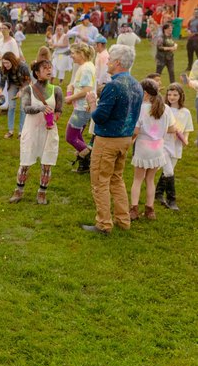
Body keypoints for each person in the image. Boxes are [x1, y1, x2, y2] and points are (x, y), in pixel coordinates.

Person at [81, 45, 143, 234]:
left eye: (109, 59)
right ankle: (123, 221)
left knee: (100, 181)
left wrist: (92, 103)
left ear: (117, 63)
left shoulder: (113, 86)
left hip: (107, 139)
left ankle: (103, 224)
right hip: (125, 139)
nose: (106, 62)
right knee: (117, 179)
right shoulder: (137, 85)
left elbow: (99, 117)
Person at [9, 60, 64, 205]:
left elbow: (59, 110)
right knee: (25, 162)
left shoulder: (57, 90)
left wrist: (54, 118)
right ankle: (18, 191)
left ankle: (42, 193)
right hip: (31, 130)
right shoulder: (29, 89)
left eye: (50, 68)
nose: (49, 70)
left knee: (47, 163)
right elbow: (26, 108)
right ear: (37, 73)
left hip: (49, 131)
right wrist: (40, 109)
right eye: (45, 68)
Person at [129, 79, 177, 221]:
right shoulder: (166, 109)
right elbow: (172, 128)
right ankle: (150, 210)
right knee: (150, 180)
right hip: (158, 148)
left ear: (145, 93)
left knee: (137, 179)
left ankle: (134, 209)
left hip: (143, 147)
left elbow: (136, 131)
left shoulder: (141, 109)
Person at [155, 83, 192, 211]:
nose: (172, 97)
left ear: (181, 96)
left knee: (167, 172)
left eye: (175, 94)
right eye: (169, 94)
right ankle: (172, 200)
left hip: (176, 145)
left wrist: (185, 139)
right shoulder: (164, 109)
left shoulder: (186, 112)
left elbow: (187, 129)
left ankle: (158, 194)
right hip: (163, 144)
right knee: (169, 171)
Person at [65, 43, 96, 173]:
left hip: (82, 109)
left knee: (70, 137)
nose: (72, 56)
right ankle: (85, 166)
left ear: (81, 54)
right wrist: (71, 88)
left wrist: (71, 98)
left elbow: (87, 89)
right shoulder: (84, 67)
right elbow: (80, 85)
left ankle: (90, 157)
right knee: (77, 135)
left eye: (74, 53)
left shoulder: (86, 68)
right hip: (82, 107)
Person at [0, 52, 31, 139]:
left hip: (24, 84)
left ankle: (21, 132)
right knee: (11, 107)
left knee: (22, 109)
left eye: (7, 63)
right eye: (4, 63)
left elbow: (28, 81)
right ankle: (10, 131)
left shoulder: (23, 67)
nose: (5, 65)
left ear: (12, 61)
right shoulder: (4, 68)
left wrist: (21, 90)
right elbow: (2, 82)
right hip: (12, 85)